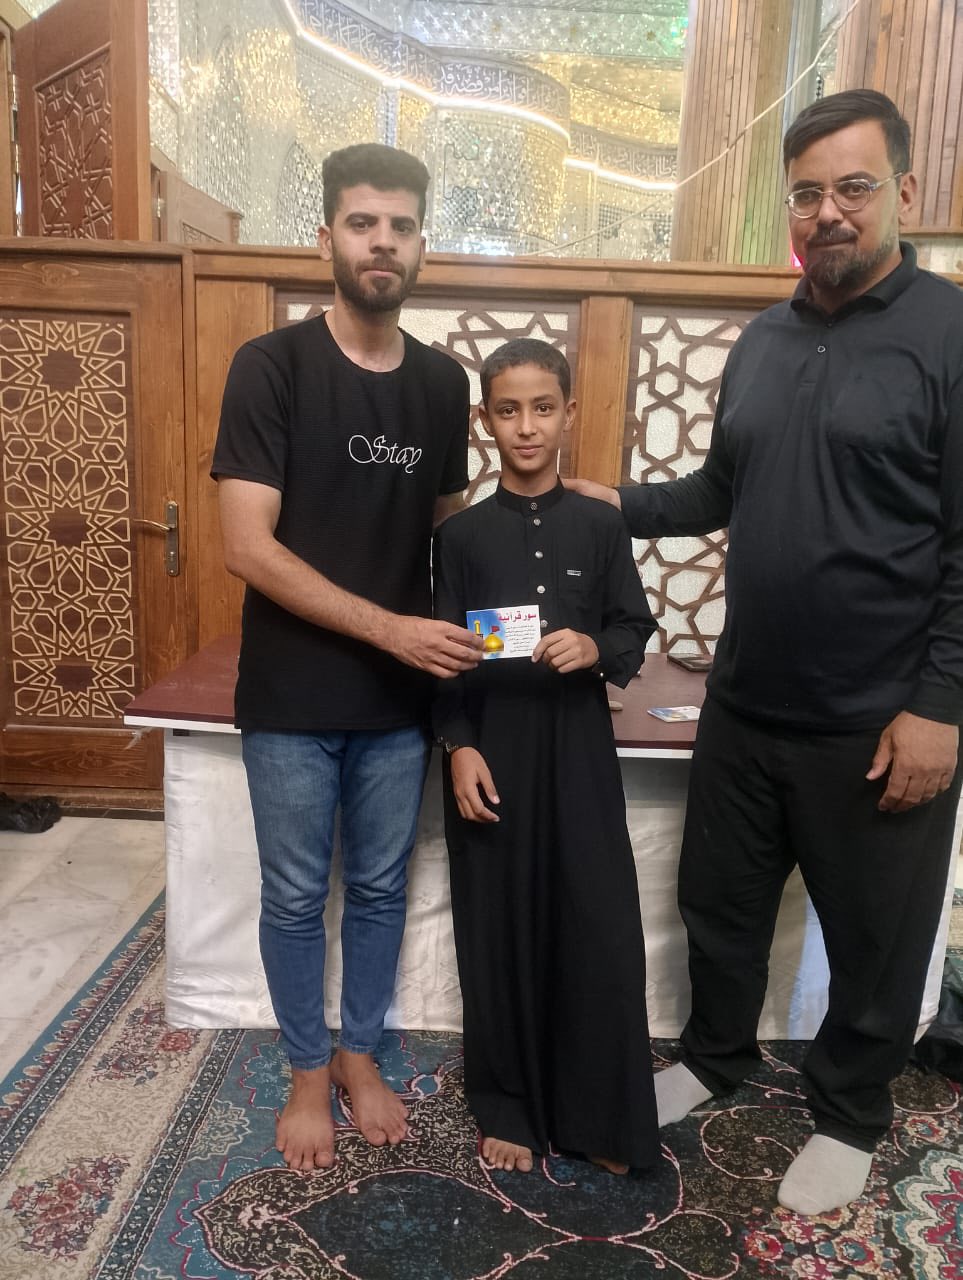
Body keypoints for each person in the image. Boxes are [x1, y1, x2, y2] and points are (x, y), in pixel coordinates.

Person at [566, 89, 963, 1214]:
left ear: (904, 191)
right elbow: (719, 488)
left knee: (875, 938)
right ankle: (716, 1055)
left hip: (881, 719)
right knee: (720, 905)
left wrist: (941, 704)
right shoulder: (764, 339)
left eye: (854, 187)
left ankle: (849, 1112)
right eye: (807, 193)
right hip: (743, 704)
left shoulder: (949, 334)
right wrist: (618, 503)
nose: (828, 211)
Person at [212, 143, 483, 1172]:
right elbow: (247, 546)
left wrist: (559, 527)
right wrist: (390, 628)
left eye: (401, 226)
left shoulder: (443, 383)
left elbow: (451, 538)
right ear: (326, 236)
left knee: (377, 890)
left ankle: (358, 1053)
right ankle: (304, 1071)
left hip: (398, 704)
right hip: (289, 696)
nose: (382, 242)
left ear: (421, 245)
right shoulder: (270, 367)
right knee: (293, 895)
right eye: (363, 222)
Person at [433, 338, 660, 1175]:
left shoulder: (600, 525)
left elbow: (632, 625)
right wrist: (458, 746)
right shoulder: (460, 537)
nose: (525, 427)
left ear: (566, 413)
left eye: (540, 408)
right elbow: (443, 655)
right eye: (507, 410)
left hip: (578, 751)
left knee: (595, 925)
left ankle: (599, 1117)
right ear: (484, 420)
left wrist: (594, 648)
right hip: (493, 752)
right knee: (498, 925)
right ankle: (509, 1107)